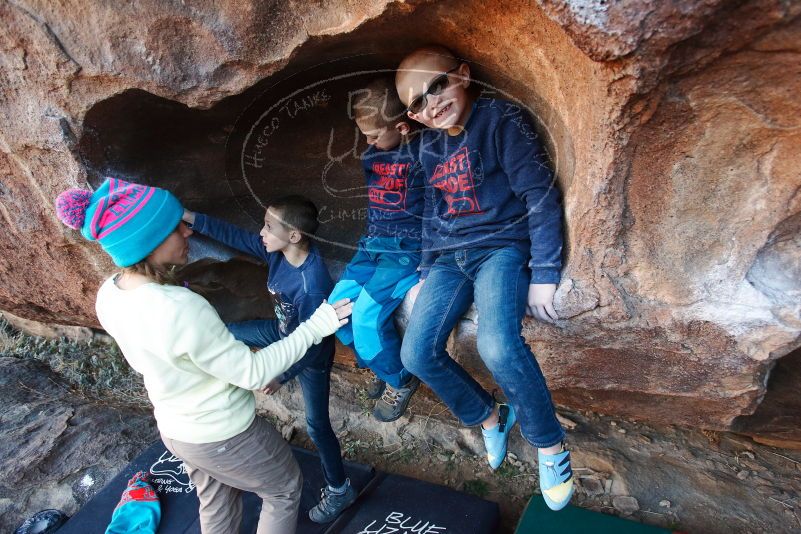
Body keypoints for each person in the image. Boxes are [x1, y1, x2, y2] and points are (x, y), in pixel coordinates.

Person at [55, 178, 352, 533]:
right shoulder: (182, 307)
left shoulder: (109, 295)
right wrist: (317, 326)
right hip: (221, 432)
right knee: (284, 490)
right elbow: (255, 374)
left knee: (217, 501)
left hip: (177, 430)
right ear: (150, 242)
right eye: (176, 227)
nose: (187, 232)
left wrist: (193, 216)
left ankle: (339, 487)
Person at [395, 46, 574, 511]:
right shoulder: (428, 145)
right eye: (417, 103)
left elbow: (538, 191)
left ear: (463, 75)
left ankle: (550, 448)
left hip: (500, 247)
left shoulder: (499, 119)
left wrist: (545, 272)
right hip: (451, 257)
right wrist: (426, 267)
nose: (431, 103)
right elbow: (434, 212)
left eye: (437, 85)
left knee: (497, 345)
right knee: (415, 352)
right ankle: (489, 416)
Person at [182, 195, 356, 523]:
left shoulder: (312, 285)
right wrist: (190, 216)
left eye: (268, 227)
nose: (261, 232)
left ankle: (339, 488)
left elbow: (316, 345)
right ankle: (210, 403)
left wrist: (283, 374)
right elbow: (235, 235)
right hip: (281, 332)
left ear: (294, 236)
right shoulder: (276, 250)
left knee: (317, 426)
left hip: (309, 356)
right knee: (227, 334)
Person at [328, 77, 425, 422]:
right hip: (371, 247)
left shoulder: (424, 154)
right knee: (335, 313)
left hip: (404, 252)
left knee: (367, 317)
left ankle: (399, 379)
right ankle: (381, 365)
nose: (367, 143)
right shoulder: (373, 155)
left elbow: (437, 209)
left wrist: (428, 262)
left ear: (401, 126)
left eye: (373, 135)